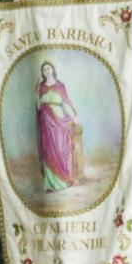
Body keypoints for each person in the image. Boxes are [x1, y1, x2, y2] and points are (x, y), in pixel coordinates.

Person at [36, 61, 82, 192]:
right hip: (45, 122)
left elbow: (65, 103)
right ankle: (51, 184)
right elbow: (39, 106)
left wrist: (74, 117)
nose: (46, 71)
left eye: (48, 68)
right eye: (44, 70)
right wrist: (36, 92)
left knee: (61, 148)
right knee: (48, 149)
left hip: (58, 120)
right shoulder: (41, 87)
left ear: (53, 69)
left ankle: (64, 179)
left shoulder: (60, 86)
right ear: (42, 73)